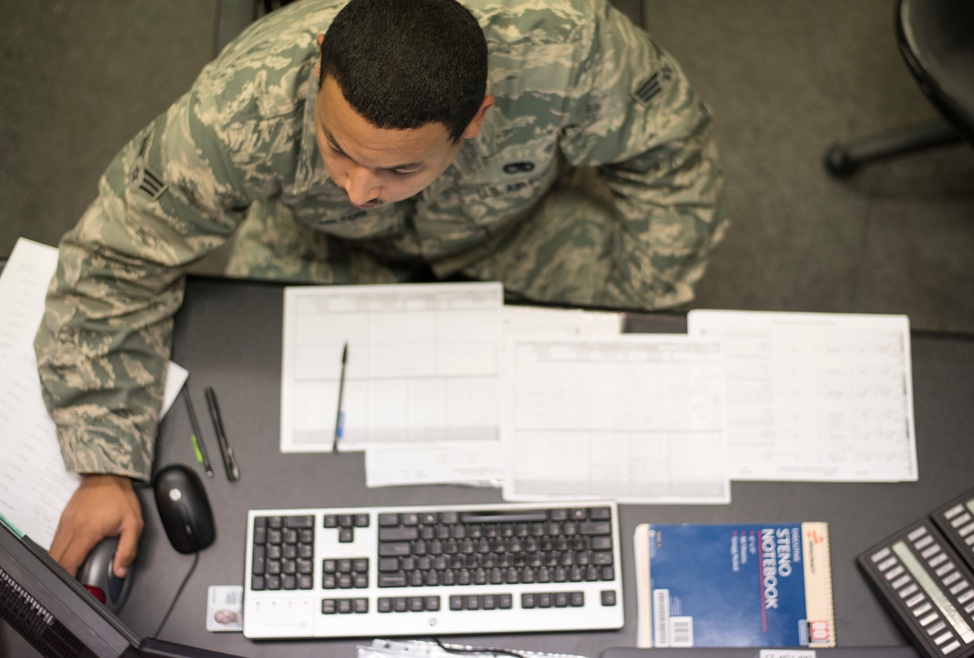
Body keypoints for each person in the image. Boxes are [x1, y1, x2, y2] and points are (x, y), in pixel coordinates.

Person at [35, 0, 727, 578]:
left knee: (609, 397)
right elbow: (118, 258)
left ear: (478, 119)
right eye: (338, 149)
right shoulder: (248, 99)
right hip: (322, 245)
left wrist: (644, 313)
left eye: (398, 170)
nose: (360, 189)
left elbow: (674, 160)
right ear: (318, 65)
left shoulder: (570, 48)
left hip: (515, 231)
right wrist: (104, 466)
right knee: (263, 447)